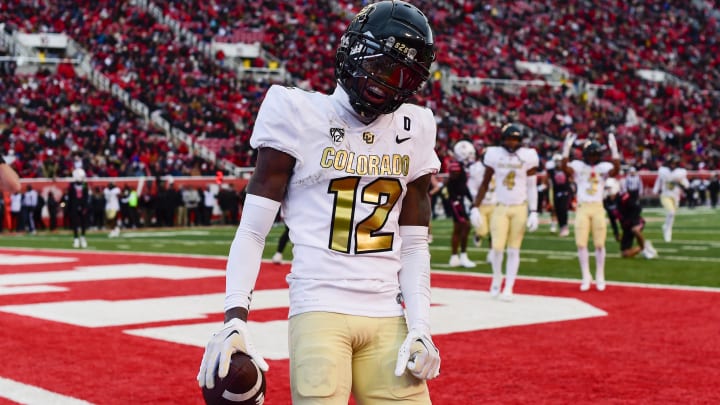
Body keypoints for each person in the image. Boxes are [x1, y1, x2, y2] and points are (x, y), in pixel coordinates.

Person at [198, 2, 441, 404]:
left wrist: (421, 325)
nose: (386, 82)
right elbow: (253, 230)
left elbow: (415, 244)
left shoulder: (416, 126)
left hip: (387, 312)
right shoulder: (296, 110)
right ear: (354, 49)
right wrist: (234, 315)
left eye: (402, 74)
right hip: (319, 305)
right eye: (380, 64)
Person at [470, 124, 539, 301]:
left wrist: (534, 210)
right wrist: (475, 206)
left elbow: (532, 186)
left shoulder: (528, 155)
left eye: (515, 139)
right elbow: (485, 183)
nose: (512, 142)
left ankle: (509, 286)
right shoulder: (494, 154)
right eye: (509, 138)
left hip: (520, 207)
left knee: (514, 249)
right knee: (497, 247)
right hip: (500, 206)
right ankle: (496, 279)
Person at [560, 134, 620, 291]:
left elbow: (616, 170)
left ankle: (600, 274)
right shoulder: (579, 166)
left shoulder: (602, 167)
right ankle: (585, 275)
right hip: (583, 207)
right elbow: (565, 168)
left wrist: (615, 150)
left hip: (598, 206)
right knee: (581, 243)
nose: (593, 158)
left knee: (600, 244)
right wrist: (566, 149)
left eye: (595, 155)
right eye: (591, 155)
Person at [604, 177, 657, 259]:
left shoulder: (623, 197)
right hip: (626, 227)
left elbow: (637, 208)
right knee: (624, 254)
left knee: (635, 230)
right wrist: (616, 233)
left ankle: (645, 250)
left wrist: (635, 223)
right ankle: (643, 247)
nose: (606, 190)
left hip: (636, 221)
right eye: (605, 188)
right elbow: (612, 219)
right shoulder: (606, 202)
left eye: (608, 188)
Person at [445, 147, 476, 268]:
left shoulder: (462, 168)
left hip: (460, 201)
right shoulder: (455, 167)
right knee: (461, 227)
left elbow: (464, 187)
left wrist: (471, 199)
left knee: (464, 228)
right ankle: (456, 256)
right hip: (456, 202)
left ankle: (460, 255)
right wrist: (458, 206)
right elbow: (453, 188)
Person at [466, 147, 496, 262]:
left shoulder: (497, 167)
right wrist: (477, 199)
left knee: (494, 230)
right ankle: (478, 235)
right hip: (481, 204)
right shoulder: (476, 169)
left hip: (494, 202)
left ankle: (492, 253)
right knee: (483, 231)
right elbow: (471, 187)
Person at [652, 155, 689, 242]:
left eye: (675, 163)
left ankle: (666, 227)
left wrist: (681, 183)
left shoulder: (680, 173)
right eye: (671, 163)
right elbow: (658, 180)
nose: (673, 165)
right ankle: (668, 231)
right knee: (671, 212)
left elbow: (686, 184)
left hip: (676, 196)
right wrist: (655, 190)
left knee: (672, 215)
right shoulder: (663, 171)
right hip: (665, 195)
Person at [545, 153, 572, 237]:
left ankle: (565, 226)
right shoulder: (551, 170)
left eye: (559, 161)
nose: (558, 163)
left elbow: (571, 178)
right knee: (557, 210)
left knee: (563, 209)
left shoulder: (566, 170)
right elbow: (547, 179)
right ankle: (561, 226)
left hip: (565, 192)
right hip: (555, 192)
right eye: (556, 161)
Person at [68, 168, 90, 248]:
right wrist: (70, 208)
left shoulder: (85, 185)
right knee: (75, 223)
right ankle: (76, 238)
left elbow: (86, 197)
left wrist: (85, 207)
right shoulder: (71, 185)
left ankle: (83, 237)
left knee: (83, 223)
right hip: (74, 206)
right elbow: (70, 198)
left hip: (83, 206)